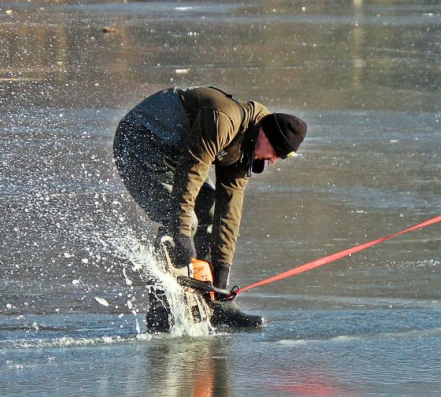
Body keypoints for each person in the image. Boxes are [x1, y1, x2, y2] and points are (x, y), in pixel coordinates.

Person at [114, 86, 306, 327]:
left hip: (177, 152)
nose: (274, 160)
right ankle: (161, 311)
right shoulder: (224, 120)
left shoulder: (248, 145)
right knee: (184, 222)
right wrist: (183, 235)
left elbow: (229, 210)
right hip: (140, 142)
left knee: (211, 210)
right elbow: (190, 173)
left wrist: (222, 273)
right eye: (277, 153)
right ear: (266, 136)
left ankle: (214, 305)